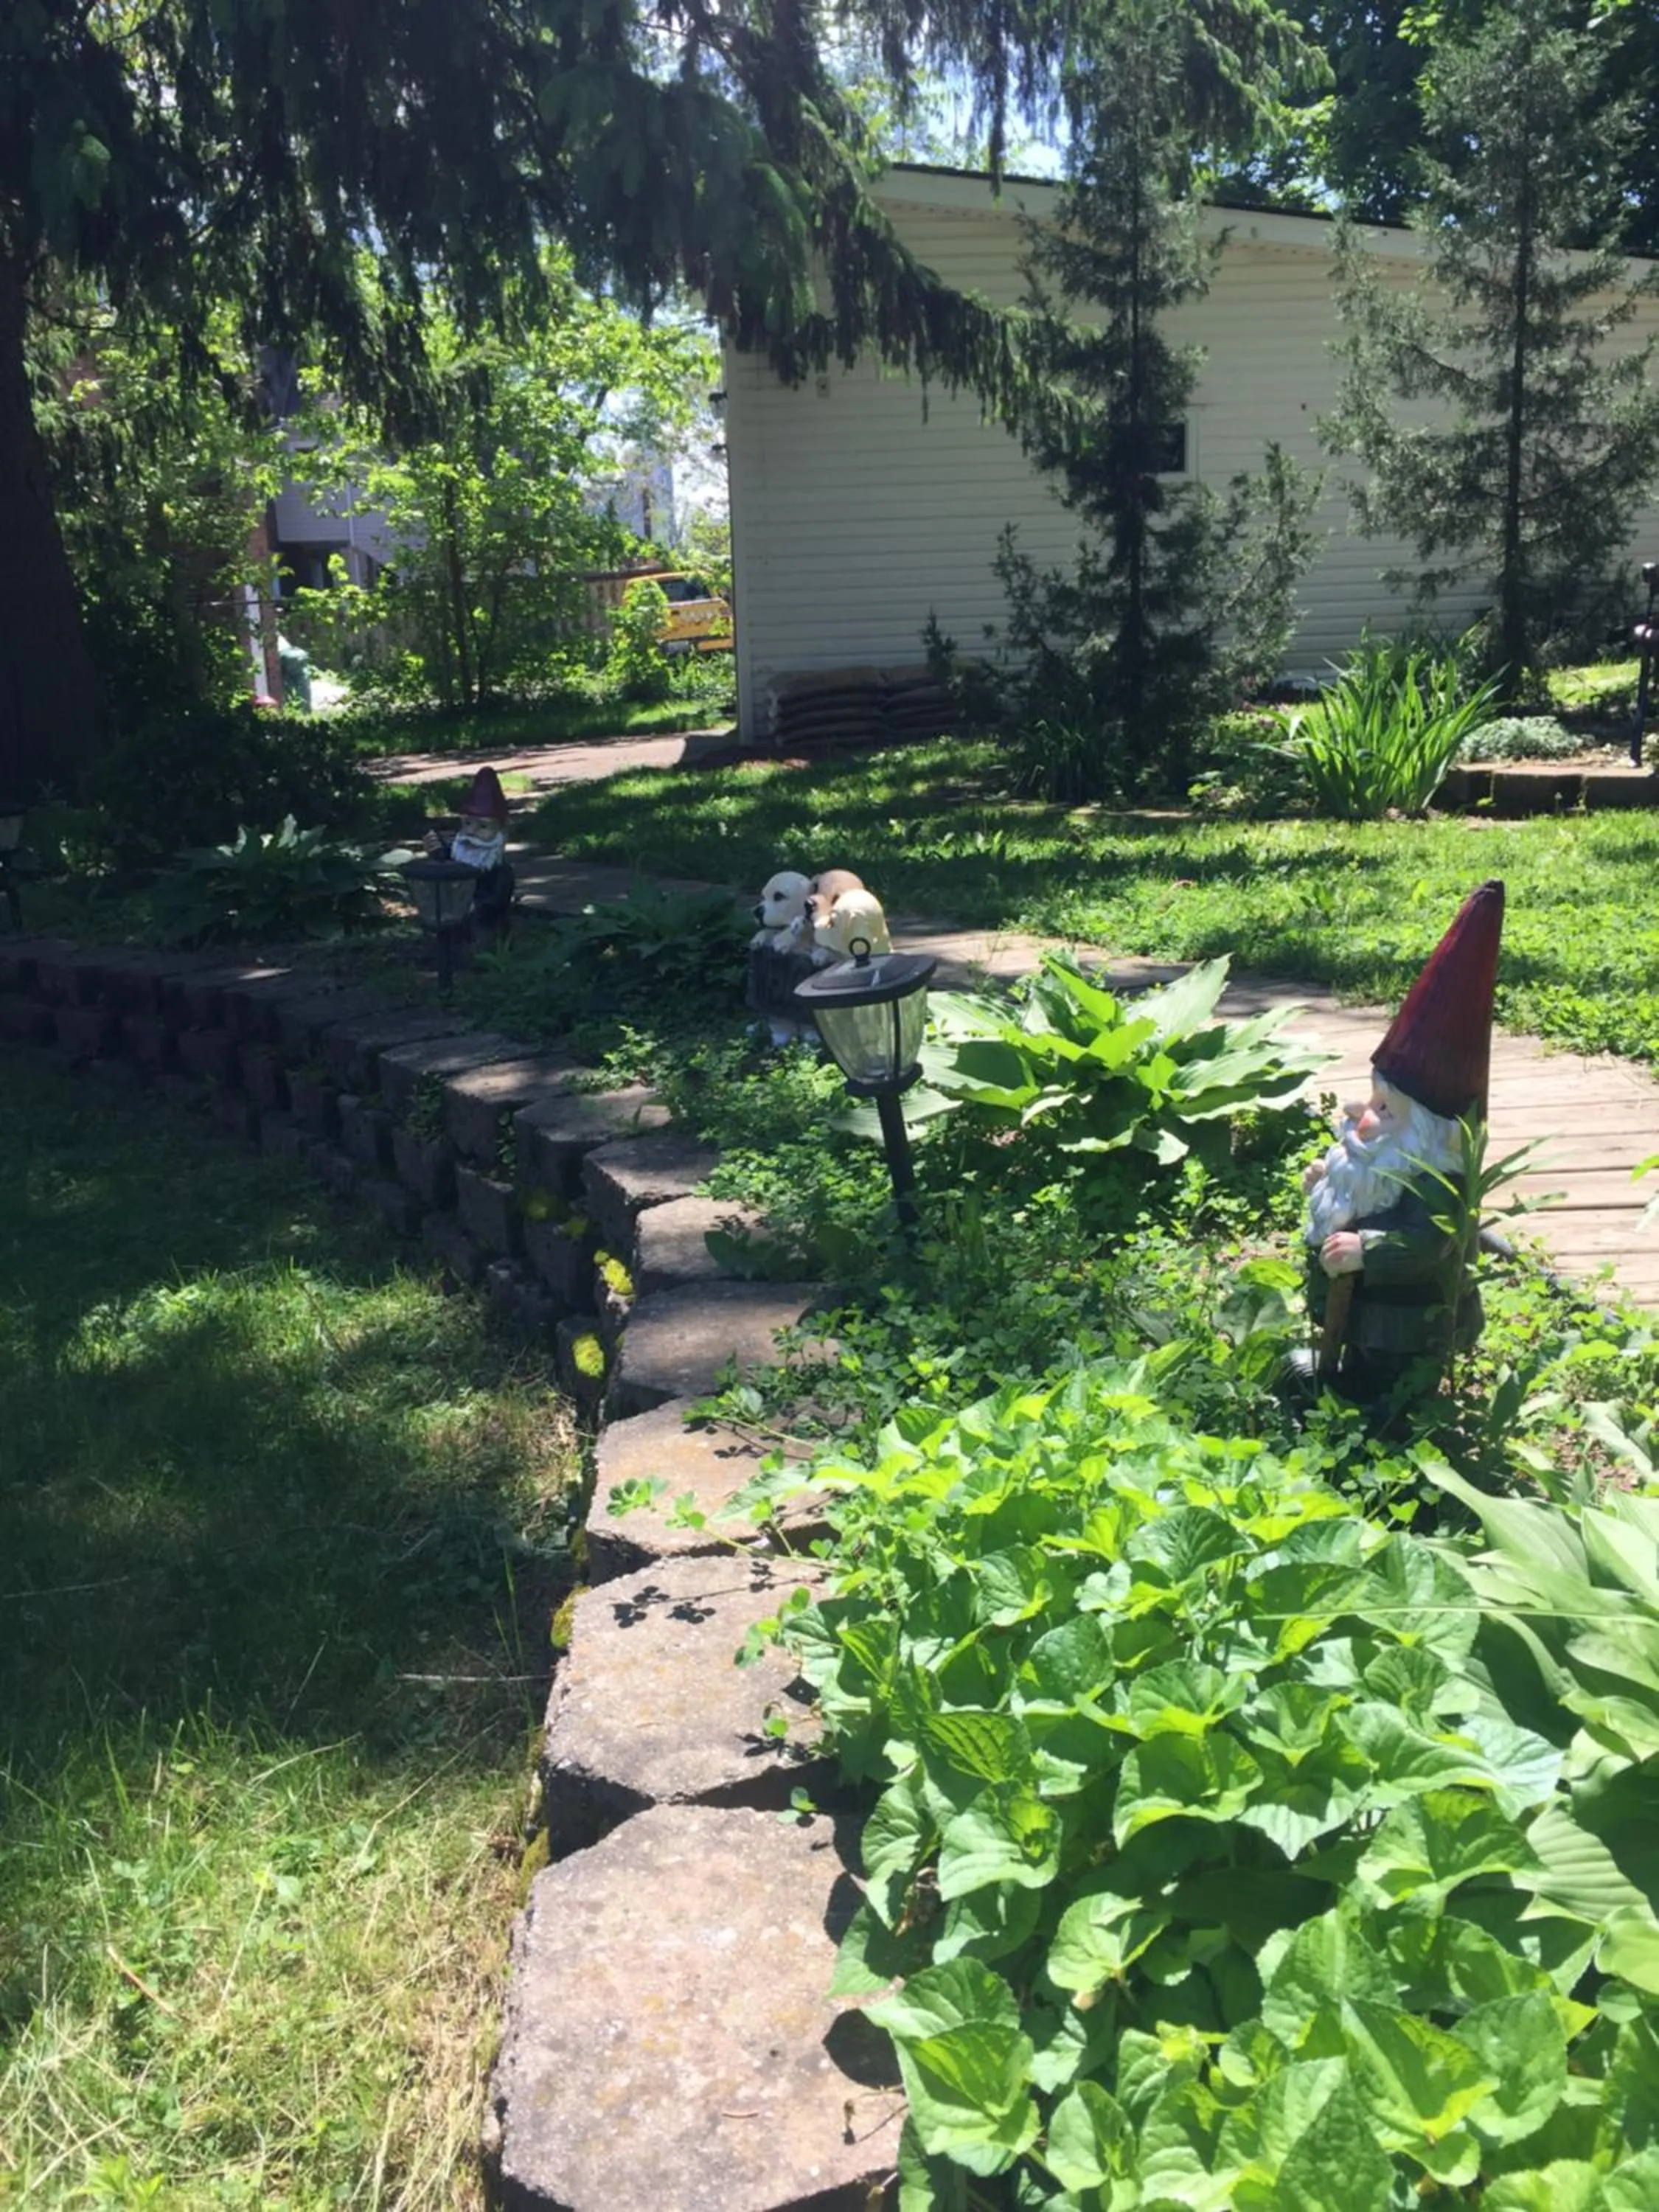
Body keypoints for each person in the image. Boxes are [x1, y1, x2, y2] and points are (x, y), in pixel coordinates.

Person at [1302, 878, 1505, 1402]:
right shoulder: (1379, 1164)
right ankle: (1347, 1393)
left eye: (1384, 1108)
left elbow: (1428, 1241)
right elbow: (1360, 1196)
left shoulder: (1435, 1180)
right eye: (1373, 1098)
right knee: (1357, 1364)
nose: (1359, 1112)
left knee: (1392, 1379)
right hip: (1359, 1312)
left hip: (1408, 1324)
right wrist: (1326, 1185)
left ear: (1427, 1134)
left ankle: (1395, 1411)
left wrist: (1369, 1248)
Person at [425, 766, 515, 939]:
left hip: (485, 929)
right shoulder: (457, 855)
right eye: (467, 824)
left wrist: (474, 906)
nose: (471, 832)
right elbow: (446, 868)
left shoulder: (501, 872)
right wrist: (436, 851)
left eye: (483, 826)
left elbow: (496, 901)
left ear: (501, 831)